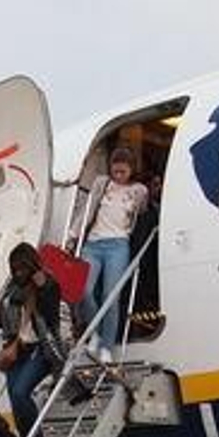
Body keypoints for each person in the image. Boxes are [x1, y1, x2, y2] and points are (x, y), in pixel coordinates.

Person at [0, 241, 69, 437]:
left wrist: (42, 286)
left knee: (20, 392)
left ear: (32, 264)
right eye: (14, 269)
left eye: (22, 268)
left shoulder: (48, 283)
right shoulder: (12, 288)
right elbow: (1, 320)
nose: (18, 273)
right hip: (17, 350)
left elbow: (50, 314)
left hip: (42, 347)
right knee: (16, 403)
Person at [76, 147, 148, 361]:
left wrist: (141, 193)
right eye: (115, 171)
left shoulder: (138, 190)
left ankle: (107, 346)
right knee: (84, 291)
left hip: (118, 244)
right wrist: (73, 234)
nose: (118, 176)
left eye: (122, 172)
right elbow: (88, 211)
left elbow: (142, 211)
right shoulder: (102, 183)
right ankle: (95, 334)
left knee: (110, 296)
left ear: (131, 170)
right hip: (93, 243)